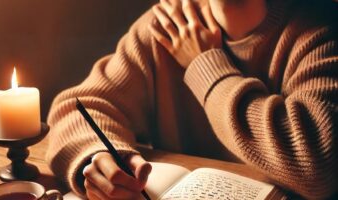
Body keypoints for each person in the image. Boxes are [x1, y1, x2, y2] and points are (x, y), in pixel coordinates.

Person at [46, 0, 338, 199]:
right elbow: (77, 108)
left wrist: (206, 65)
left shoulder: (321, 29)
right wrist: (100, 159)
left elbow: (317, 165)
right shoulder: (172, 22)